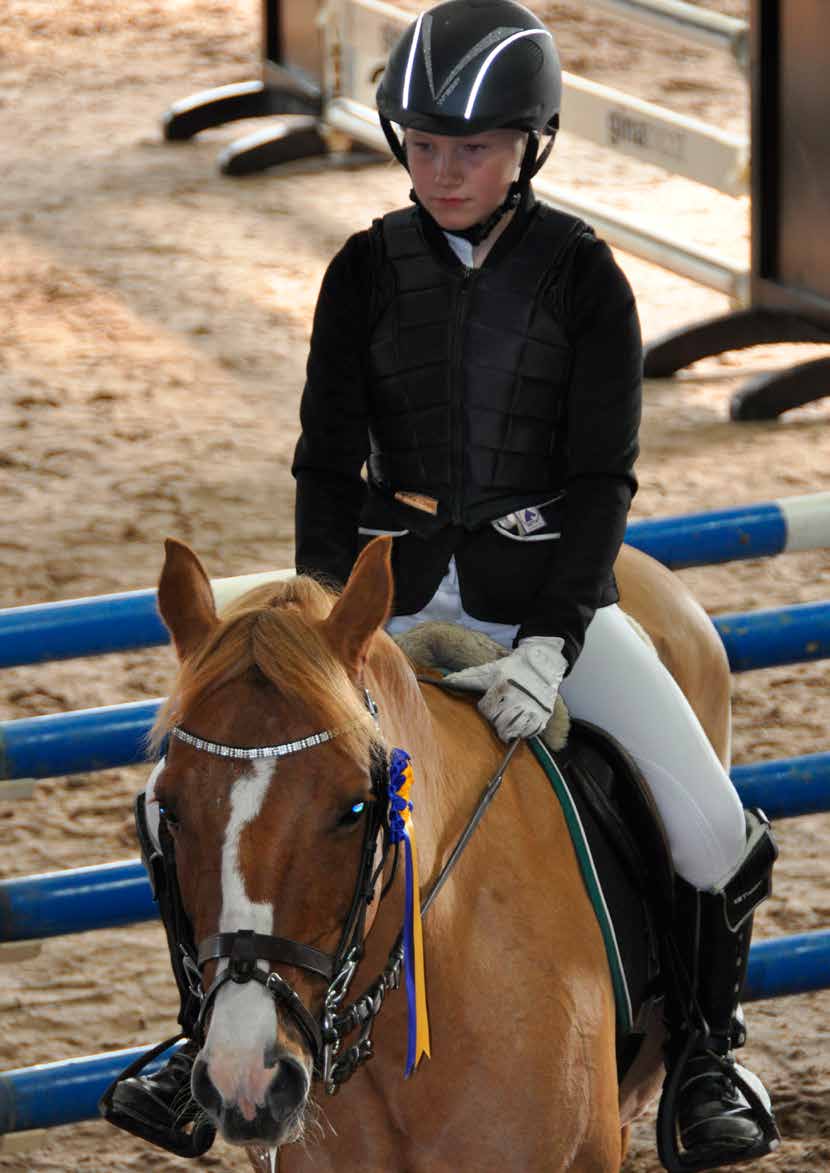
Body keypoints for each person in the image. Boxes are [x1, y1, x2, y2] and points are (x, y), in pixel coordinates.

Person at [103, 3, 779, 1168]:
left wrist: (551, 641)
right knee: (199, 799)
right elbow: (325, 462)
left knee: (717, 833)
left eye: (471, 148)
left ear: (530, 146)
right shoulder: (363, 270)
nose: (444, 169)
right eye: (422, 145)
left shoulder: (586, 279)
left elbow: (599, 477)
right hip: (389, 603)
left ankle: (704, 1057)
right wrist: (323, 625)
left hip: (545, 603)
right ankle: (198, 1035)